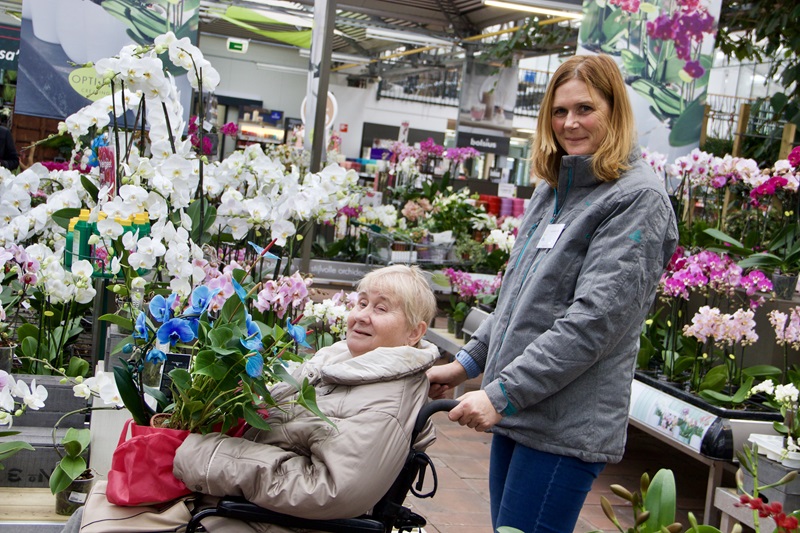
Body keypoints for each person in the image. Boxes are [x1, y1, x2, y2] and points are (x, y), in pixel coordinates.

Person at [427, 54, 679, 533]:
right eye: (559, 112)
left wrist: (501, 393)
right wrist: (467, 365)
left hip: (565, 424)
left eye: (585, 109)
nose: (570, 123)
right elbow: (521, 300)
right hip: (521, 411)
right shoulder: (555, 188)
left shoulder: (636, 200)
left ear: (615, 111)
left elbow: (593, 323)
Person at [66, 264, 440, 532]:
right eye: (360, 303)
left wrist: (207, 456)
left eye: (381, 308)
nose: (362, 315)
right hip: (246, 500)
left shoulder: (383, 401)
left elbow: (330, 489)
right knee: (100, 501)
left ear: (414, 333)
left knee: (96, 516)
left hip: (264, 517)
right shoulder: (343, 366)